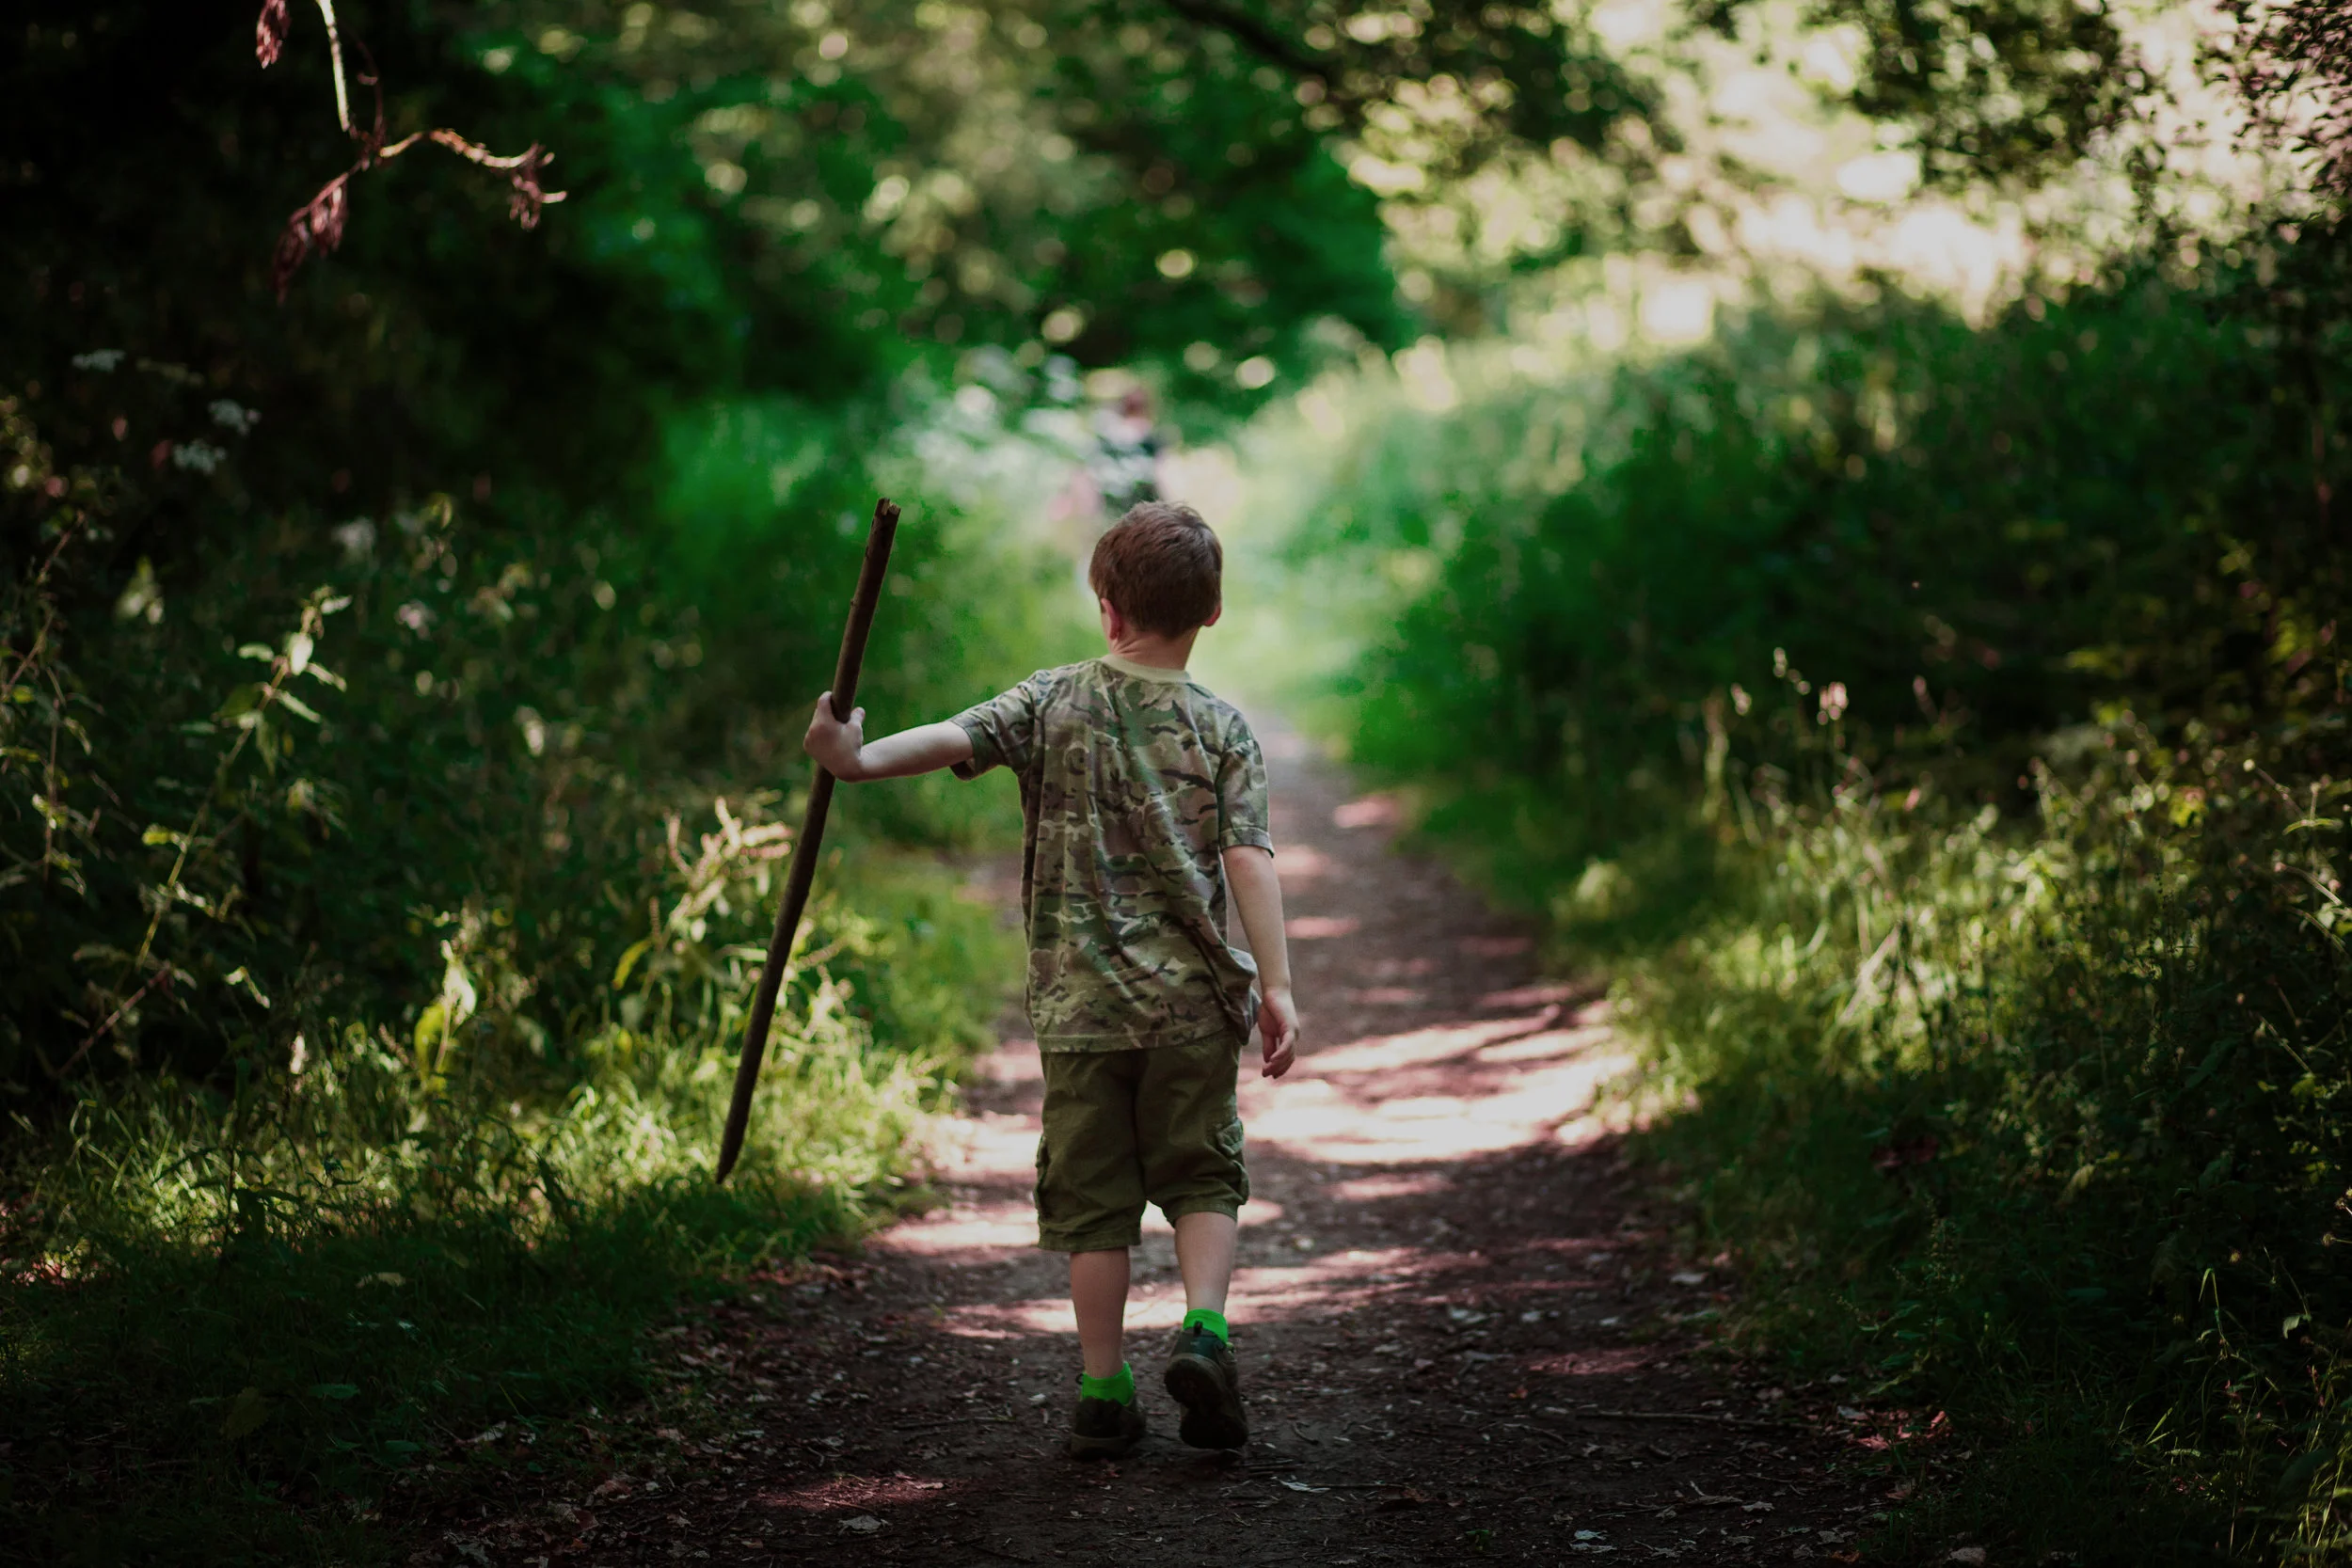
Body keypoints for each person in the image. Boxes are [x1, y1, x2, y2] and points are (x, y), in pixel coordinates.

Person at [801, 500, 1301, 1460]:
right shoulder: (1222, 727)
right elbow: (1250, 857)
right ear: (1213, 612)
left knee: (1091, 1202)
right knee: (1202, 1174)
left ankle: (1103, 1389)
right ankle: (1204, 1330)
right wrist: (1275, 985)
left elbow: (949, 737)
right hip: (1192, 1006)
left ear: (1106, 609)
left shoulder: (1048, 699)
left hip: (1079, 1013)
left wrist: (854, 760)